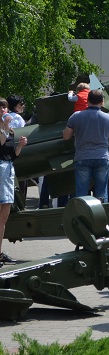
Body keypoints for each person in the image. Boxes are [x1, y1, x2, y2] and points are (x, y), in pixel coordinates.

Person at [62, 90, 109, 202]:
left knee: (81, 193)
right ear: (102, 102)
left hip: (82, 157)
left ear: (87, 101)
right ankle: (101, 215)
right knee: (101, 192)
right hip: (102, 157)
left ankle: (83, 216)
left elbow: (66, 136)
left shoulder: (76, 116)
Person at [0, 99, 27, 267]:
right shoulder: (3, 130)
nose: (4, 110)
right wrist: (4, 126)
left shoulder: (9, 131)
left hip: (8, 170)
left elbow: (12, 154)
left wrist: (21, 146)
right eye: (1, 107)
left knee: (4, 215)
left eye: (5, 107)